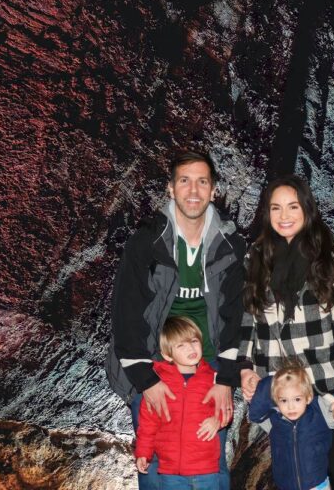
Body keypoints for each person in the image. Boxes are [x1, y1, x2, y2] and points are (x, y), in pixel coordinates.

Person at [106, 150, 245, 490]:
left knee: (211, 463)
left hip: (209, 371)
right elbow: (125, 312)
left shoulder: (231, 246)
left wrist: (226, 379)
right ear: (170, 188)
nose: (193, 190)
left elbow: (240, 314)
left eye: (202, 181)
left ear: (214, 190)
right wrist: (146, 380)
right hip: (154, 367)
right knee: (155, 465)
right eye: (184, 180)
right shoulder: (146, 244)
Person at [238, 174, 334, 489]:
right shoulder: (256, 259)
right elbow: (248, 320)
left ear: (306, 210)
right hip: (280, 389)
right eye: (276, 208)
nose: (284, 216)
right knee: (297, 473)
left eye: (293, 207)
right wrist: (244, 368)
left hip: (323, 388)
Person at [135, 317, 221, 489]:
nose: (190, 347)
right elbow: (148, 422)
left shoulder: (212, 378)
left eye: (194, 341)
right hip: (171, 472)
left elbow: (225, 407)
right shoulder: (157, 384)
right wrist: (143, 452)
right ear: (167, 354)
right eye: (181, 345)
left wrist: (218, 420)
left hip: (206, 469)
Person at [248, 360, 334, 490]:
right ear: (276, 400)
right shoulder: (275, 421)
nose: (291, 406)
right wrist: (270, 383)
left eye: (297, 399)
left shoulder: (319, 412)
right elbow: (255, 414)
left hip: (317, 484)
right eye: (284, 400)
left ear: (308, 397)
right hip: (286, 486)